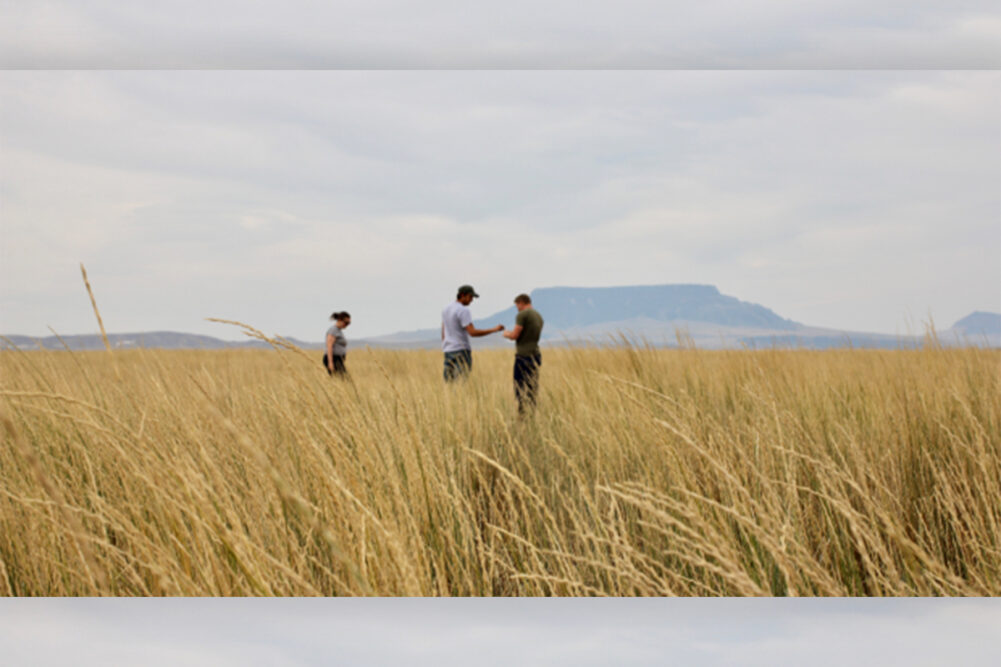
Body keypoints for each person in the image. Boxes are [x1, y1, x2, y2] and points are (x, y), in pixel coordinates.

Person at [441, 284, 504, 381]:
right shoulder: (463, 310)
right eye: (470, 297)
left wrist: (445, 343)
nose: (472, 300)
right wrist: (494, 330)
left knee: (449, 383)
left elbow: (443, 328)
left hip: (448, 350)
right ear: (462, 295)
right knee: (461, 383)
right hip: (461, 351)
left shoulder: (446, 309)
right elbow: (472, 332)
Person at [503, 293, 544, 413]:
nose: (517, 308)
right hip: (535, 354)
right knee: (532, 388)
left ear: (521, 302)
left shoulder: (522, 315)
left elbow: (515, 335)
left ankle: (522, 415)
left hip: (523, 356)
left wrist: (506, 334)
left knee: (520, 388)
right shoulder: (538, 316)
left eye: (517, 305)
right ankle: (532, 413)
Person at [323, 311, 351, 376]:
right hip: (333, 359)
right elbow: (329, 346)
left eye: (349, 323)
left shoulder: (338, 330)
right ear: (339, 320)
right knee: (344, 380)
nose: (347, 325)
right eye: (346, 323)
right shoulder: (333, 330)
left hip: (338, 359)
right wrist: (330, 363)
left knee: (340, 380)